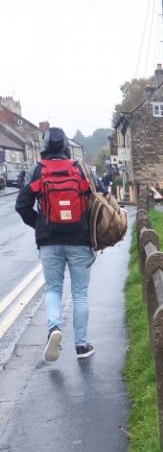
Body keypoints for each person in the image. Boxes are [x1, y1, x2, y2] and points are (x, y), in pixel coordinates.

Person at [15, 127, 96, 362]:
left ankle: (54, 329)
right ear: (65, 148)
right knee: (80, 293)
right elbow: (97, 199)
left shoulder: (37, 170)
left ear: (44, 146)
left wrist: (42, 226)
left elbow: (22, 206)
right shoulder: (79, 169)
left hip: (49, 240)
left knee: (53, 289)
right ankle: (81, 346)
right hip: (79, 239)